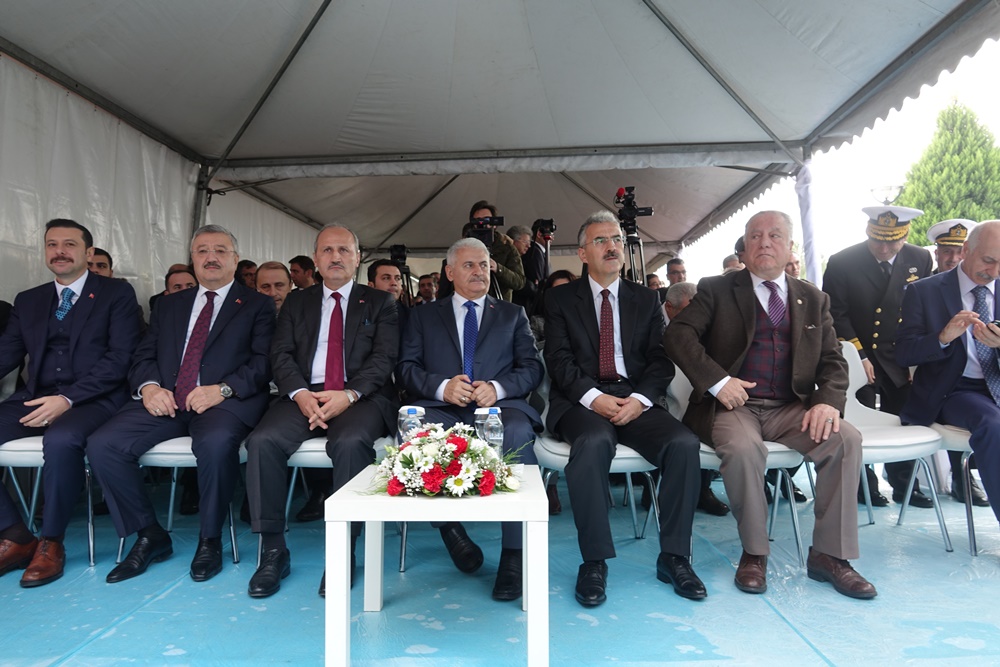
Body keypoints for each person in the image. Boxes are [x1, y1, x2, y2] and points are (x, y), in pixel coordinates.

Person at [665, 210, 876, 599]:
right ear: (744, 248)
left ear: (789, 247)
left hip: (791, 407)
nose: (764, 242)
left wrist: (828, 402)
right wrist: (718, 382)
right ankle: (754, 554)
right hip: (734, 407)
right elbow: (678, 335)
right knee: (744, 450)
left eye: (775, 235)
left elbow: (833, 360)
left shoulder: (813, 298)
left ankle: (829, 556)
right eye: (755, 236)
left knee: (845, 440)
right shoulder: (716, 289)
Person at [87, 224, 276, 584]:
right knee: (103, 444)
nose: (211, 257)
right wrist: (149, 388)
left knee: (216, 444)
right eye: (202, 250)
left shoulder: (257, 304)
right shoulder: (169, 305)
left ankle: (210, 540)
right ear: (192, 259)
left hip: (222, 402)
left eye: (220, 250)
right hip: (168, 399)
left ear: (235, 259)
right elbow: (144, 354)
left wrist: (222, 389)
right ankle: (149, 534)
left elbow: (263, 361)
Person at [544, 211, 704, 607]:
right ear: (583, 253)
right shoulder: (561, 299)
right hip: (581, 399)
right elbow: (558, 360)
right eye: (600, 240)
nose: (612, 246)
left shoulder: (646, 299)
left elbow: (660, 360)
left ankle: (675, 557)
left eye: (616, 239)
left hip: (634, 398)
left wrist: (640, 400)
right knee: (593, 443)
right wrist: (592, 397)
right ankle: (594, 561)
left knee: (684, 444)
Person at [244, 225, 398, 598]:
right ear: (316, 259)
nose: (335, 257)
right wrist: (300, 394)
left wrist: (349, 394)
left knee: (350, 442)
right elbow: (280, 353)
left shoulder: (380, 302)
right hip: (304, 395)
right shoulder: (297, 302)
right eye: (327, 250)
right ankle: (272, 550)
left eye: (344, 250)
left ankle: (344, 551)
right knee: (262, 441)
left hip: (359, 397)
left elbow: (384, 358)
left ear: (357, 258)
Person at [397, 237, 543, 601]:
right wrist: (442, 387)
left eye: (484, 264)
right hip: (442, 407)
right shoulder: (423, 315)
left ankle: (514, 553)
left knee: (517, 432)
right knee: (414, 432)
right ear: (449, 272)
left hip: (499, 407)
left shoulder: (512, 314)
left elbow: (531, 369)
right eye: (469, 265)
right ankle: (450, 530)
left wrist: (497, 387)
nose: (479, 271)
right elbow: (406, 369)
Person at [0, 219, 141, 587]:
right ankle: (15, 533)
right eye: (51, 244)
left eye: (69, 244)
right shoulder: (29, 299)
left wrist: (68, 398)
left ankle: (51, 541)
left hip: (94, 399)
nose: (59, 251)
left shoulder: (116, 293)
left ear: (88, 252)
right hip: (36, 397)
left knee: (62, 440)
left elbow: (120, 358)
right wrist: (51, 398)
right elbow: (7, 352)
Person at [822, 206, 934, 508]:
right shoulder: (843, 261)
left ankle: (905, 485)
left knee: (905, 418)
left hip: (900, 356)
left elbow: (922, 311)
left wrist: (915, 359)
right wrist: (858, 355)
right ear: (868, 233)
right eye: (877, 240)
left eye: (892, 241)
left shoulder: (920, 258)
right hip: (859, 354)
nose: (883, 248)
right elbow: (835, 314)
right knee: (859, 422)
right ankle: (864, 484)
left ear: (905, 235)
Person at [897, 220, 1000, 523]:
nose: (995, 272)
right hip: (955, 391)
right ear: (966, 250)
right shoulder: (923, 291)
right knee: (994, 426)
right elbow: (903, 353)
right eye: (988, 260)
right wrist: (942, 337)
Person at [924, 219, 988, 506]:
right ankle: (960, 479)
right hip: (942, 383)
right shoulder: (923, 290)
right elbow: (905, 345)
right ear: (936, 253)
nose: (952, 258)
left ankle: (968, 476)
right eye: (945, 251)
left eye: (957, 251)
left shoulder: (988, 287)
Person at [437, 201, 525, 302]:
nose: (482, 224)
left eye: (487, 220)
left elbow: (520, 282)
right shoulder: (462, 249)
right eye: (478, 220)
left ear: (494, 223)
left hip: (497, 306)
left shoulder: (507, 247)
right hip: (466, 304)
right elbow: (445, 289)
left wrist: (498, 268)